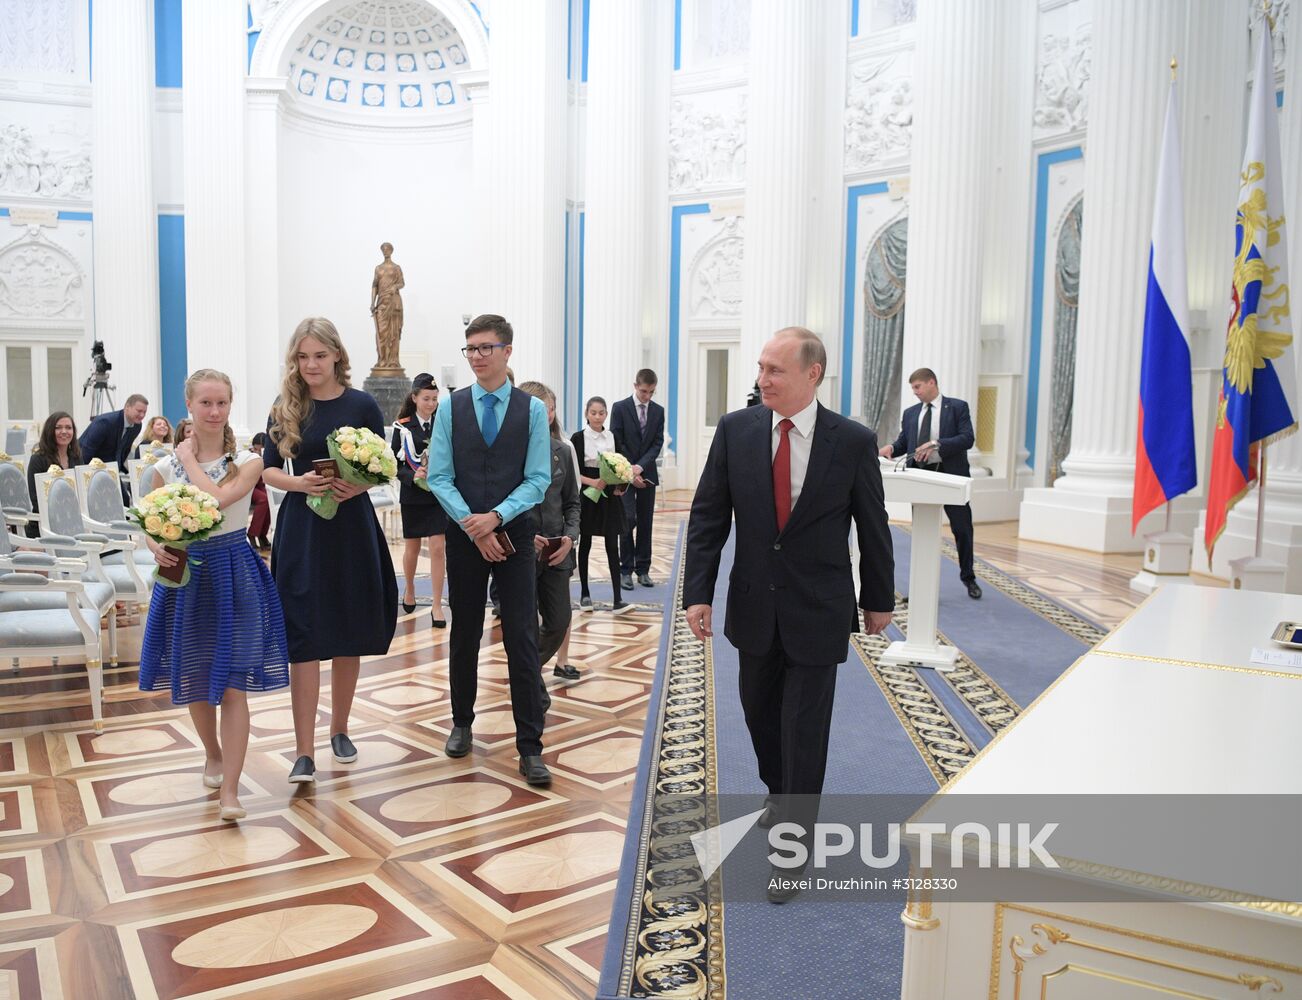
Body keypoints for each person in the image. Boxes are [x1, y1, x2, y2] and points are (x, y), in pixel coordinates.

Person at [683, 327, 894, 904]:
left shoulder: (850, 441)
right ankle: (780, 793)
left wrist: (879, 598)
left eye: (776, 369)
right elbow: (708, 516)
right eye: (761, 367)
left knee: (805, 729)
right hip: (753, 603)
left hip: (819, 608)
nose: (762, 379)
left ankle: (792, 848)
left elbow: (872, 527)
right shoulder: (736, 431)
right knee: (759, 715)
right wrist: (696, 592)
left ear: (813, 374)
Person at [137, 369, 289, 821]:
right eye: (206, 403)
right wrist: (156, 546)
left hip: (233, 571)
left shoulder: (248, 460)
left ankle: (231, 792)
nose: (214, 411)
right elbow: (151, 524)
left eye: (222, 402)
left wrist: (188, 462)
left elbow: (219, 501)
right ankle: (213, 752)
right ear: (190, 405)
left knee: (234, 684)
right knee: (198, 680)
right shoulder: (163, 469)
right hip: (186, 574)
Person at [262, 317, 398, 784]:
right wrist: (298, 482)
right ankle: (304, 750)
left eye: (319, 355)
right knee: (302, 635)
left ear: (337, 354)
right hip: (303, 529)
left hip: (351, 528)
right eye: (303, 356)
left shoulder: (361, 403)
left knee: (347, 628)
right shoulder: (286, 405)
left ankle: (339, 729)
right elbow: (267, 471)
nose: (311, 364)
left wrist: (356, 488)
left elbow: (381, 467)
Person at [426, 314, 552, 785]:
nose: (477, 357)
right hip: (463, 533)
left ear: (507, 352)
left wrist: (496, 517)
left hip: (515, 532)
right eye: (470, 349)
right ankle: (462, 722)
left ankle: (530, 745)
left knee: (520, 635)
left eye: (485, 348)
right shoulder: (450, 408)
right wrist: (473, 525)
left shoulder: (532, 410)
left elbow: (538, 478)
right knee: (466, 631)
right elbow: (439, 476)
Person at [878, 367, 981, 599]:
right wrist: (892, 448)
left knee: (962, 530)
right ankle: (921, 588)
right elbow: (906, 441)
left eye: (917, 387)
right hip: (921, 479)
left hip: (950, 477)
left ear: (931, 383)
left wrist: (937, 443)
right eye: (913, 388)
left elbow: (967, 438)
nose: (915, 392)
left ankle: (969, 578)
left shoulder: (957, 407)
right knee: (923, 533)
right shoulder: (911, 413)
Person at [519, 380, 582, 682]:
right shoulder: (510, 453)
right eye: (541, 410)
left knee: (559, 621)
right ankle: (531, 687)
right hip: (522, 551)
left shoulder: (563, 451)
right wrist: (523, 534)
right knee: (524, 624)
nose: (547, 415)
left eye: (549, 410)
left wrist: (570, 537)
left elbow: (572, 502)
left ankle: (525, 672)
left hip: (558, 551)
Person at [391, 372, 447, 627]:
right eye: (426, 398)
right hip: (413, 495)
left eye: (435, 399)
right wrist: (411, 477)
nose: (431, 404)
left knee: (438, 547)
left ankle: (437, 603)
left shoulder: (444, 423)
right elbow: (393, 463)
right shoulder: (402, 426)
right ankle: (410, 588)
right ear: (414, 398)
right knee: (412, 548)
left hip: (437, 495)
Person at [571, 397, 633, 615]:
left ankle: (618, 598)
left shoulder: (611, 436)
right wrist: (592, 482)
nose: (597, 417)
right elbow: (574, 472)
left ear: (606, 414)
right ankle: (585, 595)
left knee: (611, 545)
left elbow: (617, 464)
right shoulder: (578, 438)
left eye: (601, 413)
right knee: (585, 543)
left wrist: (620, 484)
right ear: (587, 414)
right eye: (593, 412)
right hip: (588, 494)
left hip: (608, 493)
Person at [611, 369, 665, 590]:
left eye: (651, 392)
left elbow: (657, 443)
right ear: (635, 386)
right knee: (627, 520)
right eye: (644, 391)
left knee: (645, 522)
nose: (647, 397)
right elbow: (616, 440)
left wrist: (641, 467)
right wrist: (630, 471)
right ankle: (625, 570)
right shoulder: (620, 408)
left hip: (647, 474)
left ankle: (643, 570)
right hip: (625, 475)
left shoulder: (658, 411)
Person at [25, 411, 81, 537]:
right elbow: (37, 501)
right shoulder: (38, 459)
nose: (64, 431)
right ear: (50, 431)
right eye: (58, 427)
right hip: (44, 527)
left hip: (73, 523)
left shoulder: (76, 458)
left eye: (68, 427)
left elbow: (81, 494)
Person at [79, 393, 149, 471]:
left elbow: (125, 449)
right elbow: (86, 450)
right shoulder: (105, 422)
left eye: (144, 412)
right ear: (127, 407)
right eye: (139, 411)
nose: (142, 415)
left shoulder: (137, 426)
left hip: (112, 469)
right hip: (91, 467)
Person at [246, 432, 271, 551]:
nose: (257, 451)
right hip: (249, 486)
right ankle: (252, 533)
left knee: (269, 498)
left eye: (259, 449)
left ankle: (262, 534)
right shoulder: (249, 456)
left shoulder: (268, 456)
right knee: (264, 499)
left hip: (261, 485)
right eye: (255, 448)